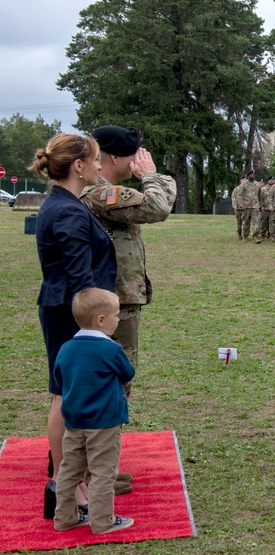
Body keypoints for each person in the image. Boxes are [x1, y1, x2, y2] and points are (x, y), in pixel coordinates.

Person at [31, 133, 117, 518]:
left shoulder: (64, 204)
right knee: (66, 396)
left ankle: (67, 486)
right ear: (79, 166)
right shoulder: (67, 211)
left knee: (63, 393)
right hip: (71, 314)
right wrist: (97, 322)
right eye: (96, 160)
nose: (100, 167)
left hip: (63, 309)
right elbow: (80, 278)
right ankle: (72, 489)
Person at [82, 125, 177, 400]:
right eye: (133, 156)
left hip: (113, 296)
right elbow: (158, 208)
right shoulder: (100, 193)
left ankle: (102, 438)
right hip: (112, 299)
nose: (137, 160)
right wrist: (149, 174)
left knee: (112, 374)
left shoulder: (104, 190)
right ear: (114, 158)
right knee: (117, 374)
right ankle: (104, 440)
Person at [52, 288, 135, 534]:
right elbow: (128, 373)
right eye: (116, 315)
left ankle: (65, 517)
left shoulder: (66, 348)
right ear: (101, 320)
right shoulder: (110, 350)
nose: (118, 319)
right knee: (103, 471)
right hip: (105, 421)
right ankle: (102, 521)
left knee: (69, 470)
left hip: (74, 421)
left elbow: (59, 378)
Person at [232, 175, 248, 241]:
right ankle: (239, 234)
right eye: (243, 179)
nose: (244, 180)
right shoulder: (236, 189)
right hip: (238, 208)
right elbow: (233, 198)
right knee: (239, 222)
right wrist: (234, 206)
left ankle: (245, 235)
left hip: (246, 208)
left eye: (246, 179)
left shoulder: (248, 189)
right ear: (240, 180)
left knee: (246, 222)